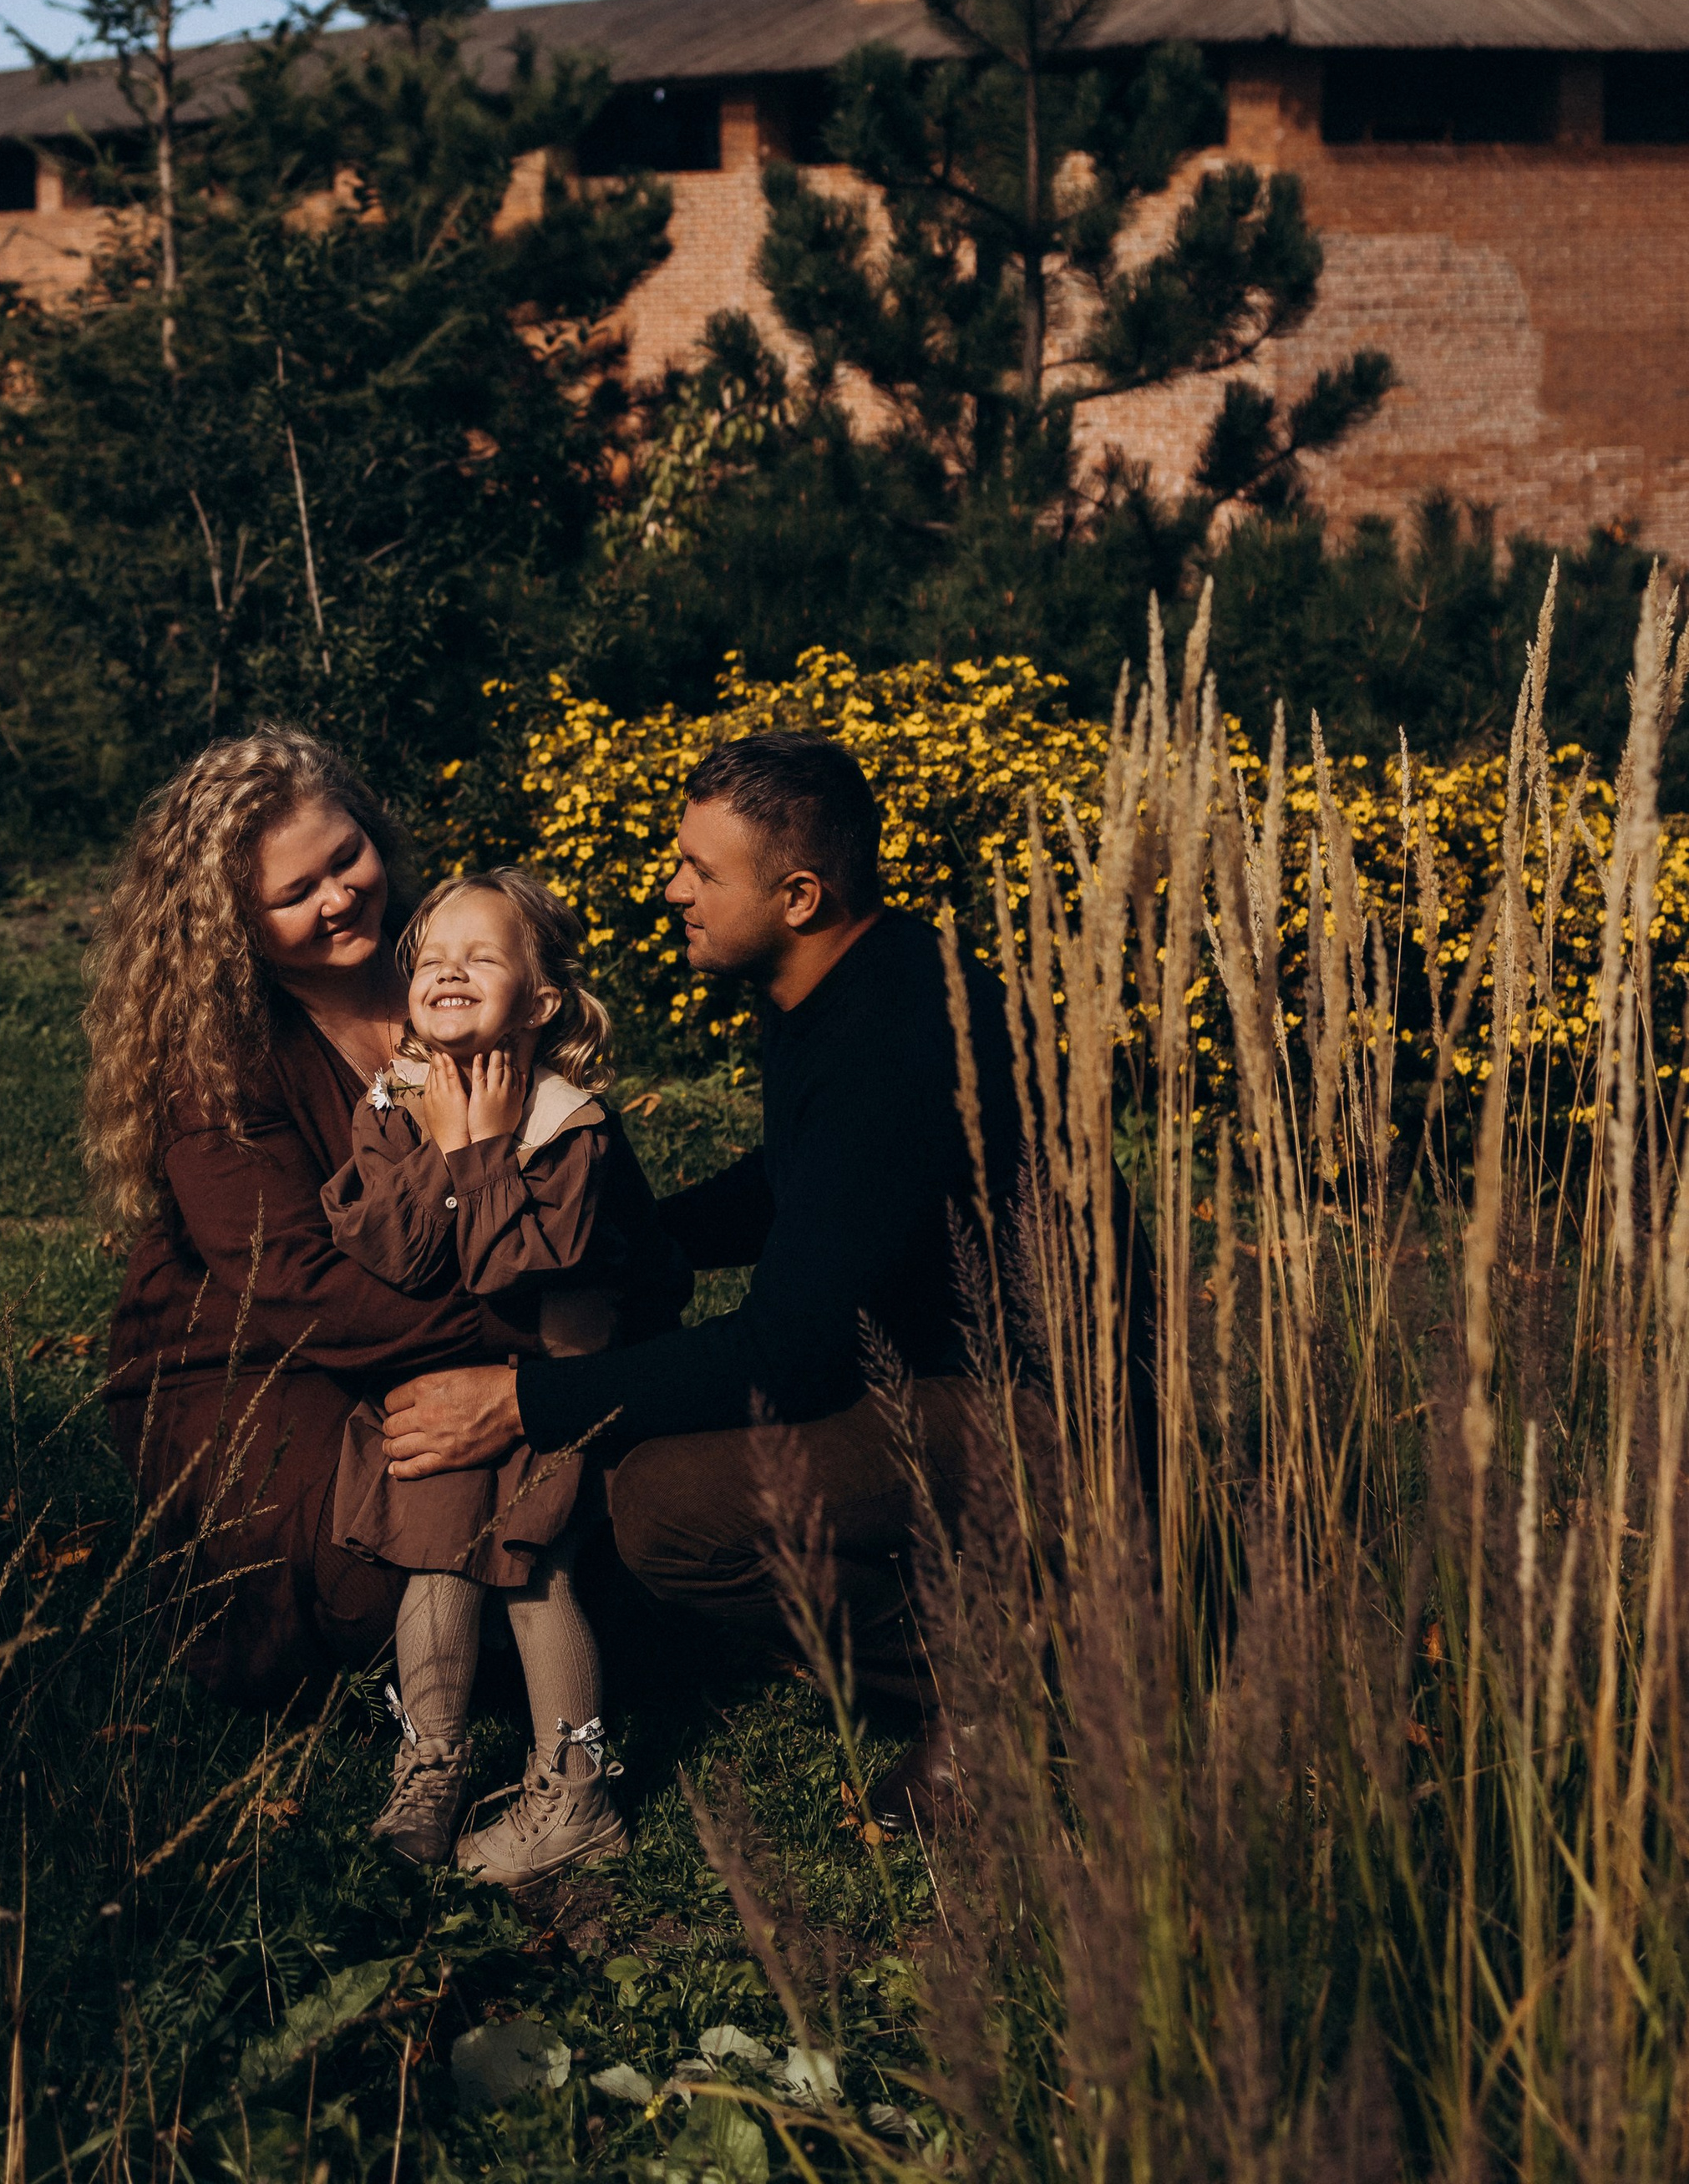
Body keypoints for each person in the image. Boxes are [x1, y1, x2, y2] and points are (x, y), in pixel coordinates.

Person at [379, 729, 1153, 1818]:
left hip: (1054, 1411)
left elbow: (790, 1353)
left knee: (664, 1504)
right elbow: (804, 1176)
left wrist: (521, 1402)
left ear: (796, 894)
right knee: (651, 1434)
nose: (674, 889)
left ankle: (1013, 1685)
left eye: (702, 871)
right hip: (955, 1365)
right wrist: (643, 1236)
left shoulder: (894, 1041)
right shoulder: (848, 976)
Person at [89, 728, 545, 1709]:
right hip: (250, 1358)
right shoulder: (217, 1060)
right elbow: (297, 1287)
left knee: (582, 1486)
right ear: (232, 927)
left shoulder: (458, 953)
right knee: (376, 1574)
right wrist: (526, 1352)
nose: (340, 898)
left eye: (347, 859)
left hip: (464, 1311)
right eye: (295, 895)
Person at [324, 869, 673, 1882]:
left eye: (480, 958)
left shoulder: (569, 1125)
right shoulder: (393, 1104)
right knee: (433, 1559)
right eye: (432, 958)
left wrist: (477, 1155)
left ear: (543, 998)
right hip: (453, 1386)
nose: (449, 972)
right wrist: (443, 1149)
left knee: (533, 1574)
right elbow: (393, 1251)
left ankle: (580, 1790)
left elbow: (514, 1266)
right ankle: (430, 1760)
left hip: (551, 1387)